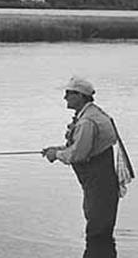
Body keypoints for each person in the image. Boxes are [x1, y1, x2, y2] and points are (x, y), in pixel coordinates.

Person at [42, 77, 120, 240]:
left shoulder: (87, 121)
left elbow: (79, 154)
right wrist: (57, 149)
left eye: (68, 94)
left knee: (96, 229)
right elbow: (85, 147)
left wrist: (55, 155)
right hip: (100, 180)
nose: (65, 97)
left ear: (80, 96)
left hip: (98, 181)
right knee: (99, 224)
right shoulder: (93, 113)